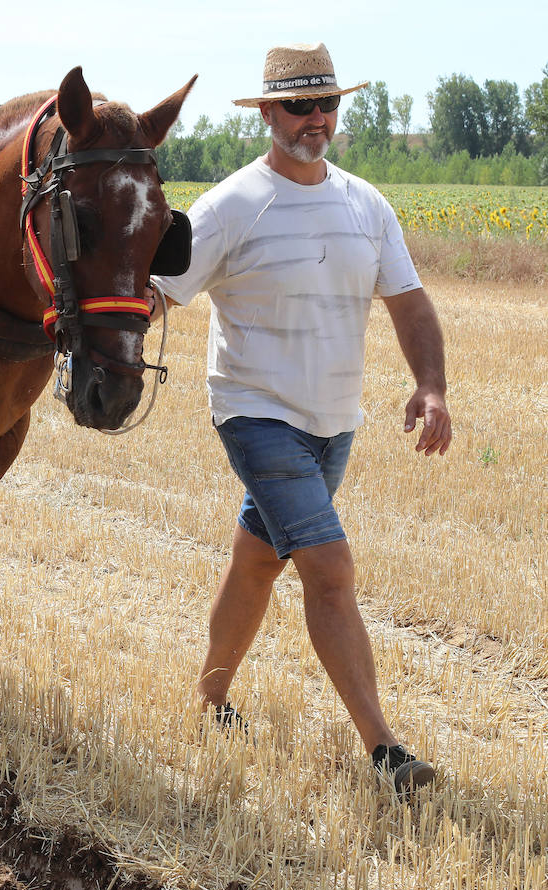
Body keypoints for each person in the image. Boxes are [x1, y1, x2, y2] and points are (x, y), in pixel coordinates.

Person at [150, 43, 453, 795]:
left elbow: (409, 300)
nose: (316, 119)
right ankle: (385, 753)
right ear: (267, 114)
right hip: (254, 411)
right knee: (330, 567)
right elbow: (156, 291)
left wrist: (432, 386)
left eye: (326, 104)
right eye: (299, 105)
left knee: (258, 559)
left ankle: (208, 698)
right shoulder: (230, 206)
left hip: (333, 418)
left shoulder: (365, 203)